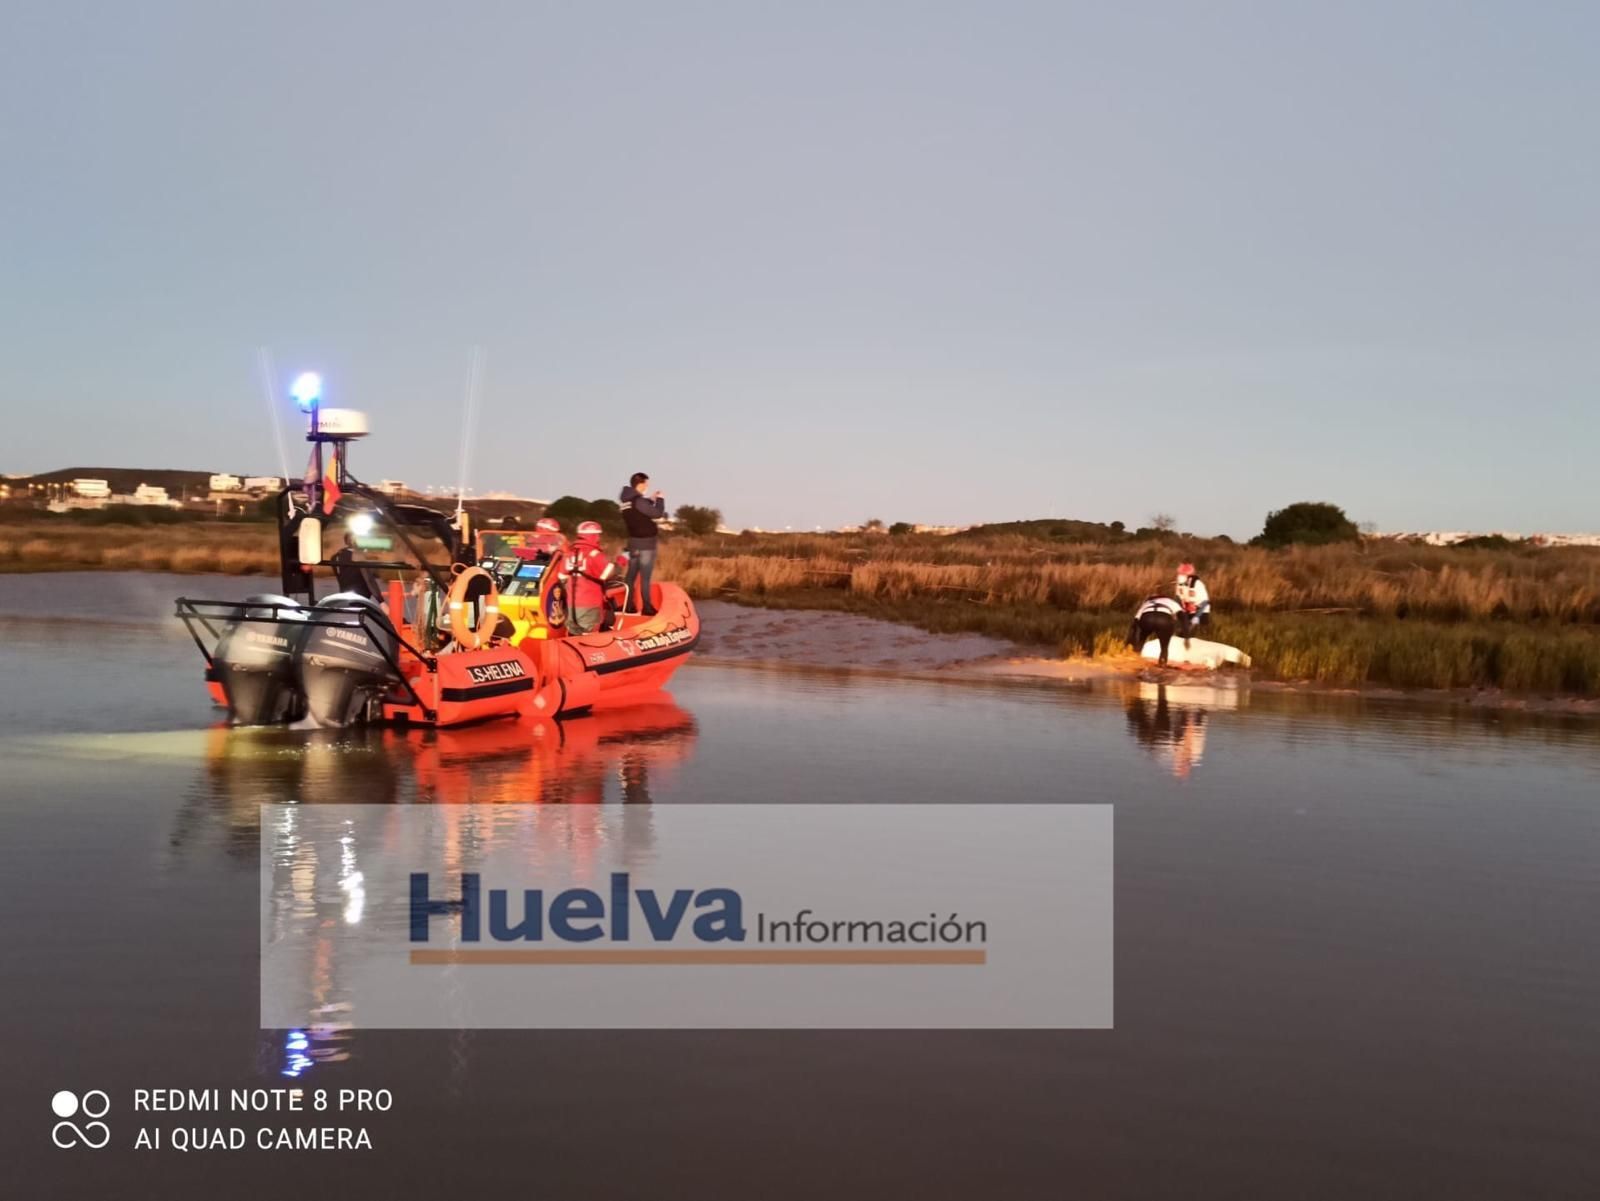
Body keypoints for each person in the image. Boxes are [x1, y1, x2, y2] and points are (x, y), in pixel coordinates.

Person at [618, 471, 667, 615]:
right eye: (646, 484)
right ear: (640, 484)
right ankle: (647, 608)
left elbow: (639, 509)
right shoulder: (638, 501)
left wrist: (650, 499)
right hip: (646, 544)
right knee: (645, 578)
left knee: (630, 576)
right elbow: (657, 514)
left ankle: (628, 606)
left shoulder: (625, 501)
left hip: (633, 543)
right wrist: (660, 500)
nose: (647, 486)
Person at [563, 520, 615, 634]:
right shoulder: (594, 554)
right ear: (592, 536)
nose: (598, 538)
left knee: (573, 636)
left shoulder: (568, 554)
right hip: (590, 603)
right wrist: (615, 563)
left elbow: (562, 576)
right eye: (597, 535)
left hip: (571, 605)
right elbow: (607, 574)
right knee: (590, 638)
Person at [330, 532, 379, 599]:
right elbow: (369, 579)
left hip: (344, 593)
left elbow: (339, 576)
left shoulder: (336, 557)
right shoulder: (358, 556)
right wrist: (380, 600)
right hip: (361, 596)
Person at [1174, 562, 1210, 636]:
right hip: (1186, 610)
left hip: (1201, 611)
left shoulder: (1198, 584)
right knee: (1181, 632)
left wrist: (1197, 616)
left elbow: (1205, 602)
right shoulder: (1179, 584)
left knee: (1199, 634)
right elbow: (1178, 598)